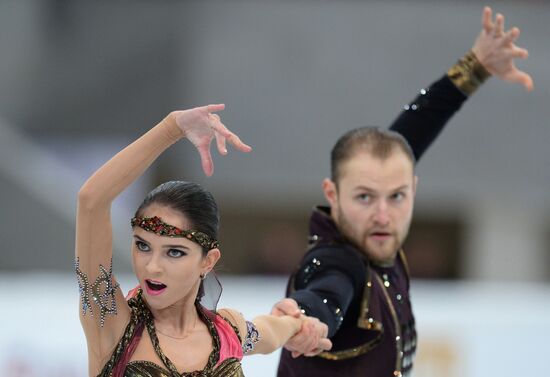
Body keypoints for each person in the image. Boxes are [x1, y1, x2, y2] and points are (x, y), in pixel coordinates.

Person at [272, 7, 533, 377]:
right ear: (332, 194)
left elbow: (412, 130)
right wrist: (304, 319)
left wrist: (475, 67)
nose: (383, 215)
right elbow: (324, 294)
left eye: (397, 196)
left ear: (413, 188)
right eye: (364, 197)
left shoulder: (379, 199)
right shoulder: (337, 263)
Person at [75, 105, 332, 376]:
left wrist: (299, 326)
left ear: (208, 261)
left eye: (174, 252)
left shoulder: (228, 330)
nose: (152, 267)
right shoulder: (111, 323)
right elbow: (91, 201)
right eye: (143, 245)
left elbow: (273, 330)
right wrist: (171, 128)